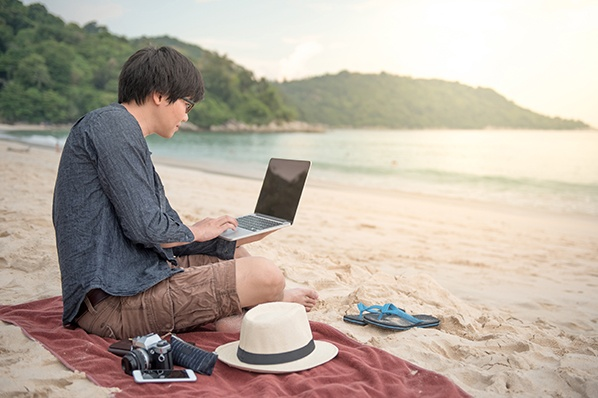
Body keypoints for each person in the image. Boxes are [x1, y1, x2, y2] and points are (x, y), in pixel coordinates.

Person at [52, 46, 318, 340]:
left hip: (133, 274)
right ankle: (271, 304)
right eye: (187, 104)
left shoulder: (124, 135)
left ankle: (240, 315)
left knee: (236, 254)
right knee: (266, 275)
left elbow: (163, 237)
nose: (187, 117)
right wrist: (195, 230)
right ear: (160, 95)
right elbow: (147, 229)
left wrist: (229, 236)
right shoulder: (112, 127)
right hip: (112, 303)